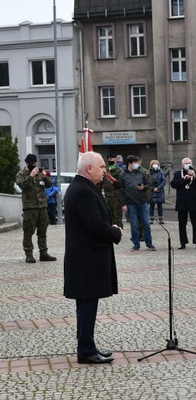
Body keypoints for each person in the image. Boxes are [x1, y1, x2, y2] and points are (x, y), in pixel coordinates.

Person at [63, 151, 122, 364]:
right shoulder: (82, 191)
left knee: (87, 304)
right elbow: (95, 225)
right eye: (102, 167)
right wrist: (115, 232)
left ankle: (88, 346)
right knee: (87, 304)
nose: (105, 171)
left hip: (87, 258)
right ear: (89, 168)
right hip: (86, 259)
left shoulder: (84, 187)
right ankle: (86, 350)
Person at [16, 154, 56, 263]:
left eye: (35, 163)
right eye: (32, 164)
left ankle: (44, 253)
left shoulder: (38, 173)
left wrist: (45, 176)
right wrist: (31, 176)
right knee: (28, 232)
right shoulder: (21, 174)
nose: (34, 165)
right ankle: (29, 254)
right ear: (27, 163)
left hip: (42, 207)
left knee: (42, 231)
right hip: (30, 208)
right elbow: (22, 186)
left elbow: (48, 185)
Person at [118, 155, 155, 251]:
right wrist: (123, 204)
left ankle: (149, 243)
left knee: (146, 223)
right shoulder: (123, 175)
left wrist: (143, 187)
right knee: (134, 224)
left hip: (142, 202)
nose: (137, 164)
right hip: (130, 203)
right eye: (135, 162)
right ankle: (136, 244)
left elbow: (149, 185)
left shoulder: (141, 174)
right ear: (130, 163)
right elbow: (120, 191)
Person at [171, 158, 196, 250]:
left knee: (195, 224)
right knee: (182, 224)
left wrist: (195, 176)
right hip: (182, 202)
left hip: (194, 202)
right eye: (186, 163)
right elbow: (173, 184)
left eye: (189, 163)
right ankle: (183, 242)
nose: (188, 165)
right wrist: (183, 179)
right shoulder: (178, 174)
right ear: (182, 165)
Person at [101, 155, 124, 228]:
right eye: (109, 159)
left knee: (117, 217)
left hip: (116, 197)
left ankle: (119, 232)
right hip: (107, 196)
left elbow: (121, 183)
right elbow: (101, 182)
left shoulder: (120, 170)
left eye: (112, 159)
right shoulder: (106, 171)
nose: (110, 160)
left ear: (116, 160)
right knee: (109, 216)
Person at [148, 159, 166, 225]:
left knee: (160, 205)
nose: (155, 165)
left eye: (157, 164)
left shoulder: (161, 172)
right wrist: (153, 188)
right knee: (151, 205)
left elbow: (163, 181)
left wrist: (158, 187)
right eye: (154, 164)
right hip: (152, 191)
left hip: (159, 191)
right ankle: (151, 218)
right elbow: (148, 181)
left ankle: (160, 218)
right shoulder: (149, 172)